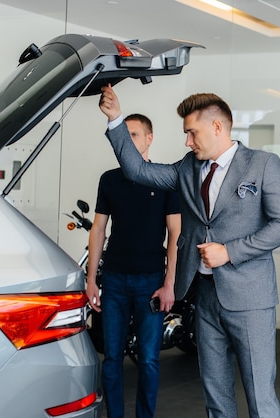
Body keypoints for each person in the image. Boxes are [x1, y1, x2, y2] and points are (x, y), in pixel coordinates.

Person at [98, 85, 280, 418]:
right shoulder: (187, 168)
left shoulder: (263, 164)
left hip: (250, 299)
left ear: (217, 127)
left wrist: (230, 252)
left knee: (259, 396)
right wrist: (116, 120)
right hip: (204, 298)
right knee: (215, 396)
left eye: (192, 132)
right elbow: (138, 171)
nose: (187, 141)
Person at [85, 113, 181, 418]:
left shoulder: (166, 179)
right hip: (113, 281)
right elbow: (98, 230)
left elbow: (176, 234)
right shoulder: (109, 179)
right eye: (124, 136)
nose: (127, 141)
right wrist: (91, 281)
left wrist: (169, 284)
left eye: (135, 135)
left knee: (150, 360)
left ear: (150, 138)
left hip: (151, 282)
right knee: (111, 359)